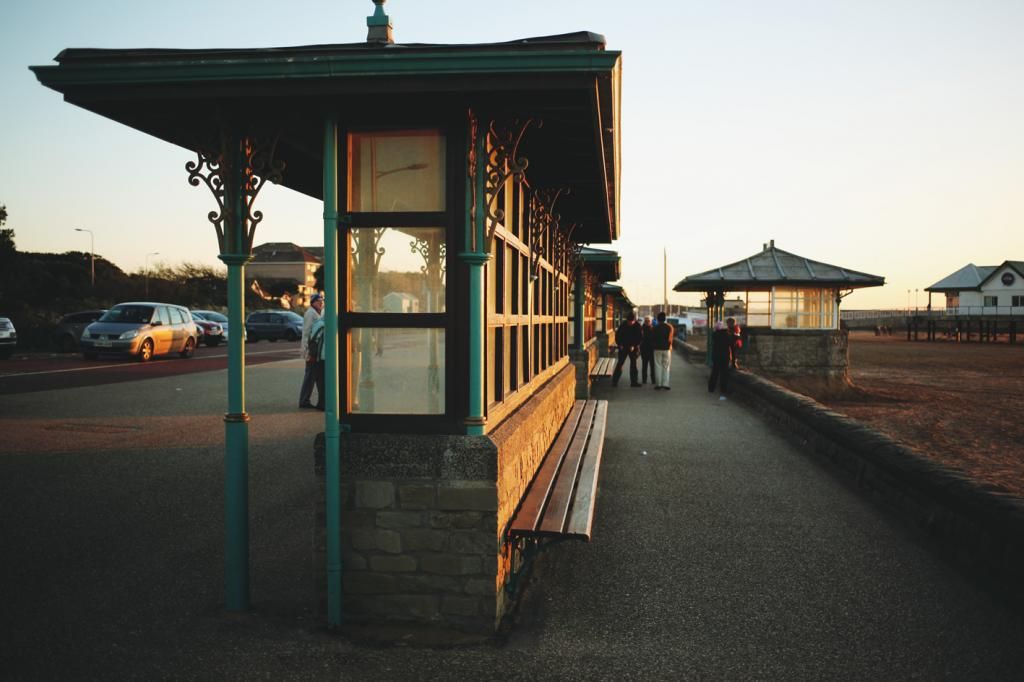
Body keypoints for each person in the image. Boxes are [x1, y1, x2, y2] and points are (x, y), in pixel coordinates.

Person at [298, 292, 324, 409]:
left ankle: (315, 401)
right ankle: (304, 401)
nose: (321, 303)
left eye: (322, 301)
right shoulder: (310, 313)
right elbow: (306, 333)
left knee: (315, 376)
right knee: (310, 376)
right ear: (313, 302)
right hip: (312, 351)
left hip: (316, 351)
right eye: (318, 301)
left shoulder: (318, 313)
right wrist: (306, 351)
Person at [708, 319, 739, 400]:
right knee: (723, 374)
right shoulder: (729, 335)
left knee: (715, 372)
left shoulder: (715, 335)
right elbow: (733, 348)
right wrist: (733, 362)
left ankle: (711, 388)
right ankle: (723, 391)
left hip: (716, 356)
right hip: (725, 357)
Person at [612, 312, 643, 387]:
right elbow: (618, 336)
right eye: (629, 322)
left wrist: (634, 345)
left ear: (634, 320)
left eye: (632, 322)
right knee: (620, 364)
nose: (630, 323)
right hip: (623, 347)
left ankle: (634, 382)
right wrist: (620, 344)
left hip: (633, 348)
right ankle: (615, 381)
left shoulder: (638, 326)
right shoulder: (623, 325)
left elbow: (640, 338)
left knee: (633, 365)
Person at [306, 315, 326, 410]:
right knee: (322, 382)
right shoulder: (322, 325)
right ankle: (322, 404)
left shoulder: (318, 323)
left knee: (321, 382)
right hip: (322, 357)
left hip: (319, 357)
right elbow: (315, 341)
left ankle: (321, 403)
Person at [651, 311, 674, 390]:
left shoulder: (654, 328)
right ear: (665, 319)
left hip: (657, 349)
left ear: (657, 319)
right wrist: (670, 346)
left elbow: (652, 339)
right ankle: (665, 384)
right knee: (666, 366)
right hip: (666, 349)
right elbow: (670, 339)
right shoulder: (669, 327)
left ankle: (658, 384)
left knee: (657, 366)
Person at [639, 316, 655, 384]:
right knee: (644, 365)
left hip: (652, 350)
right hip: (644, 349)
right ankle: (644, 380)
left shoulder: (654, 329)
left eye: (648, 320)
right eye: (646, 320)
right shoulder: (641, 329)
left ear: (651, 321)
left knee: (652, 366)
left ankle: (653, 380)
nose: (647, 322)